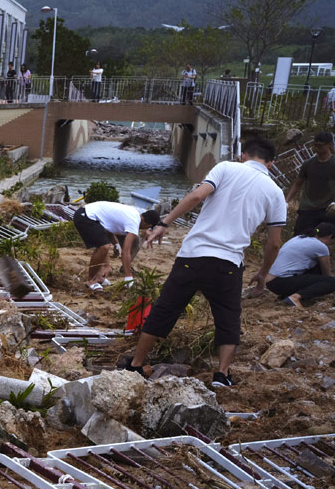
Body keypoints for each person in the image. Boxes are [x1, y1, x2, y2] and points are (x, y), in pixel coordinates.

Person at [127, 136, 287, 389]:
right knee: (229, 319)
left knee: (164, 310)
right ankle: (221, 374)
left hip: (193, 255)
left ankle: (136, 364)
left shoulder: (226, 167)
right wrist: (264, 273)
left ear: (243, 155)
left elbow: (196, 197)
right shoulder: (276, 193)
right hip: (228, 264)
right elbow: (274, 242)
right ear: (271, 163)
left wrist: (163, 224)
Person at [72, 201, 161, 289]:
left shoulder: (133, 214)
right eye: (149, 228)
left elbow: (107, 226)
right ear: (148, 225)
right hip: (86, 216)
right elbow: (125, 251)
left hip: (89, 214)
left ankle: (98, 277)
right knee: (104, 247)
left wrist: (115, 244)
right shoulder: (134, 222)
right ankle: (91, 280)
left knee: (105, 245)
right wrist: (128, 277)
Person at [264, 221, 335, 306]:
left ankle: (287, 295)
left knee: (315, 268)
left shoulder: (299, 238)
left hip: (271, 281)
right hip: (281, 282)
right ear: (329, 237)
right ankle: (296, 297)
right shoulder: (321, 246)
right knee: (331, 282)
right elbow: (326, 274)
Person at [285, 131, 335, 237]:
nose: (316, 148)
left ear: (329, 145)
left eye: (320, 146)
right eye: (315, 145)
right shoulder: (308, 164)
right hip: (308, 209)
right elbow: (298, 183)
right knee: (300, 237)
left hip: (328, 210)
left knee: (326, 238)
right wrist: (286, 201)